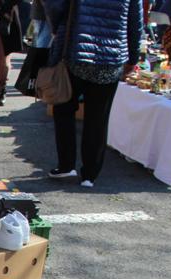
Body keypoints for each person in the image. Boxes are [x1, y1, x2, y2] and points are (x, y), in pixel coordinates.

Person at [46, 0, 142, 188]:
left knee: (64, 109)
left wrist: (57, 26)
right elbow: (135, 22)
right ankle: (90, 175)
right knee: (98, 118)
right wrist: (133, 57)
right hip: (111, 56)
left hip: (77, 50)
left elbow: (55, 5)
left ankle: (66, 166)